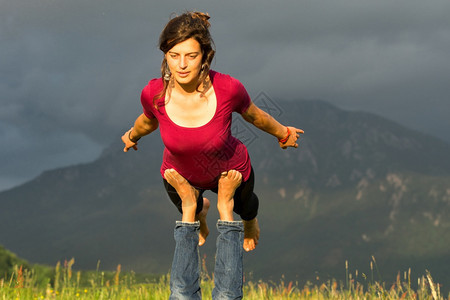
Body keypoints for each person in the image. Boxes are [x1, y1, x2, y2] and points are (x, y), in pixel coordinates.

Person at [121, 11, 303, 299]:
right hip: (181, 176)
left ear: (205, 55)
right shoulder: (154, 94)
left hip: (229, 170)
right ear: (165, 55)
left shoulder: (228, 88)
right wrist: (132, 135)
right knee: (187, 207)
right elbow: (147, 121)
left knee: (246, 206)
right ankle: (201, 213)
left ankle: (250, 220)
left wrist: (283, 133)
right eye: (173, 54)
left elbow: (255, 117)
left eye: (190, 56)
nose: (181, 64)